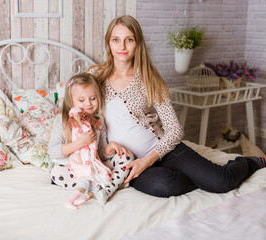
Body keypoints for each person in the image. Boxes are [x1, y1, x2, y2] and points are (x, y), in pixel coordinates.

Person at [84, 15, 266, 198]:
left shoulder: (149, 77)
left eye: (129, 39)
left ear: (138, 43)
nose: (122, 46)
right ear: (108, 43)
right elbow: (74, 106)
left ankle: (250, 163)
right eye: (116, 40)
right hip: (129, 161)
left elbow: (174, 129)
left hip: (163, 150)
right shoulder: (95, 75)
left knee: (221, 181)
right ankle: (200, 177)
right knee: (164, 186)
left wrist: (148, 161)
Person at [48, 73, 134, 208]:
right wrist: (79, 144)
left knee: (126, 156)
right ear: (71, 100)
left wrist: (109, 149)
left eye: (93, 98)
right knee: (56, 173)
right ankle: (104, 185)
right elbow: (53, 151)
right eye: (81, 100)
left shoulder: (98, 121)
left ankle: (105, 190)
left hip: (96, 164)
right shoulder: (63, 120)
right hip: (75, 168)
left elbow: (100, 152)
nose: (88, 104)